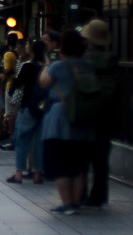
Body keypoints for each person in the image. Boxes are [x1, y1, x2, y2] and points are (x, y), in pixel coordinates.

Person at [39, 30, 97, 214]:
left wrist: (47, 64)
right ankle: (77, 202)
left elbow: (44, 83)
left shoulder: (58, 66)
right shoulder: (89, 65)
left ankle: (68, 203)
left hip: (60, 118)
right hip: (83, 116)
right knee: (79, 165)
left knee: (61, 164)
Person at [79, 20, 120, 206]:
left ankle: (81, 194)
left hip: (86, 112)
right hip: (107, 114)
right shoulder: (112, 59)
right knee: (101, 158)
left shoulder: (84, 60)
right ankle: (100, 195)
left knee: (82, 156)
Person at [6, 40, 48, 184]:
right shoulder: (48, 67)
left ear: (33, 50)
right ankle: (37, 174)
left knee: (22, 140)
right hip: (44, 108)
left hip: (28, 106)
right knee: (39, 142)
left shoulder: (28, 66)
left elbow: (17, 84)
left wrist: (12, 91)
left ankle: (19, 173)